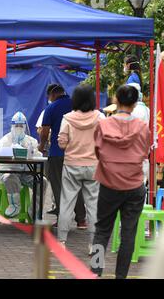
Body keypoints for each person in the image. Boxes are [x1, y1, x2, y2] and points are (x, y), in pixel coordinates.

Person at [90, 84, 151, 279]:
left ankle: (95, 271)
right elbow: (144, 152)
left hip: (109, 184)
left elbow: (97, 152)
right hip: (134, 185)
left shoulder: (104, 124)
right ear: (135, 103)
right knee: (128, 234)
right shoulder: (142, 127)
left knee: (101, 231)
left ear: (115, 99)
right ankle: (121, 276)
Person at [57, 85, 104, 252]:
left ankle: (61, 242)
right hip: (93, 166)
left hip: (71, 165)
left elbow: (62, 143)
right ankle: (94, 245)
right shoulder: (100, 117)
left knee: (66, 203)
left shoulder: (67, 118)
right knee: (93, 205)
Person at [38, 83, 86, 228]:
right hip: (77, 152)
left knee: (59, 186)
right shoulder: (77, 105)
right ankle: (81, 220)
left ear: (52, 95)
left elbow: (44, 131)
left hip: (58, 153)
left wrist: (41, 145)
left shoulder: (51, 108)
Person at [0, 112, 49, 218]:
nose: (19, 128)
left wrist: (31, 152)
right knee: (9, 177)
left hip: (27, 172)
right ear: (12, 125)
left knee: (42, 181)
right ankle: (15, 205)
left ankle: (35, 211)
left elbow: (38, 157)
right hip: (10, 171)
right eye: (16, 125)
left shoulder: (31, 141)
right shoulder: (5, 141)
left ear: (25, 126)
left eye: (21, 125)